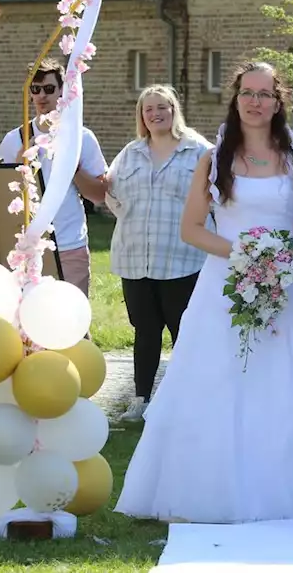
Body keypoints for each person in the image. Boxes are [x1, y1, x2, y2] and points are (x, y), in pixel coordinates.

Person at [115, 61, 293, 523]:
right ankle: (212, 490)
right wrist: (243, 256)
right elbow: (191, 229)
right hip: (224, 285)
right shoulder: (214, 156)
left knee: (289, 384)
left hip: (287, 285)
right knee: (220, 381)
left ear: (278, 100)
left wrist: (280, 256)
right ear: (236, 97)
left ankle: (291, 489)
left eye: (265, 94)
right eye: (248, 92)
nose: (255, 101)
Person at [103, 85, 212, 422]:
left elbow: (218, 198)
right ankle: (141, 400)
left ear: (174, 109)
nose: (155, 113)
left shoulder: (199, 151)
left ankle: (186, 401)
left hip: (183, 258)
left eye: (162, 106)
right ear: (141, 116)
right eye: (148, 109)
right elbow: (112, 195)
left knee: (185, 332)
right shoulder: (131, 153)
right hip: (136, 258)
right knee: (145, 331)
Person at [0, 58, 108, 296]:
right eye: (35, 90)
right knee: (26, 324)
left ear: (62, 92)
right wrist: (19, 162)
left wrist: (73, 167)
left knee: (70, 324)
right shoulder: (15, 139)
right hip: (26, 247)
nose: (41, 96)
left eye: (49, 89)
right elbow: (0, 195)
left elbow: (100, 195)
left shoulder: (81, 138)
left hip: (69, 245)